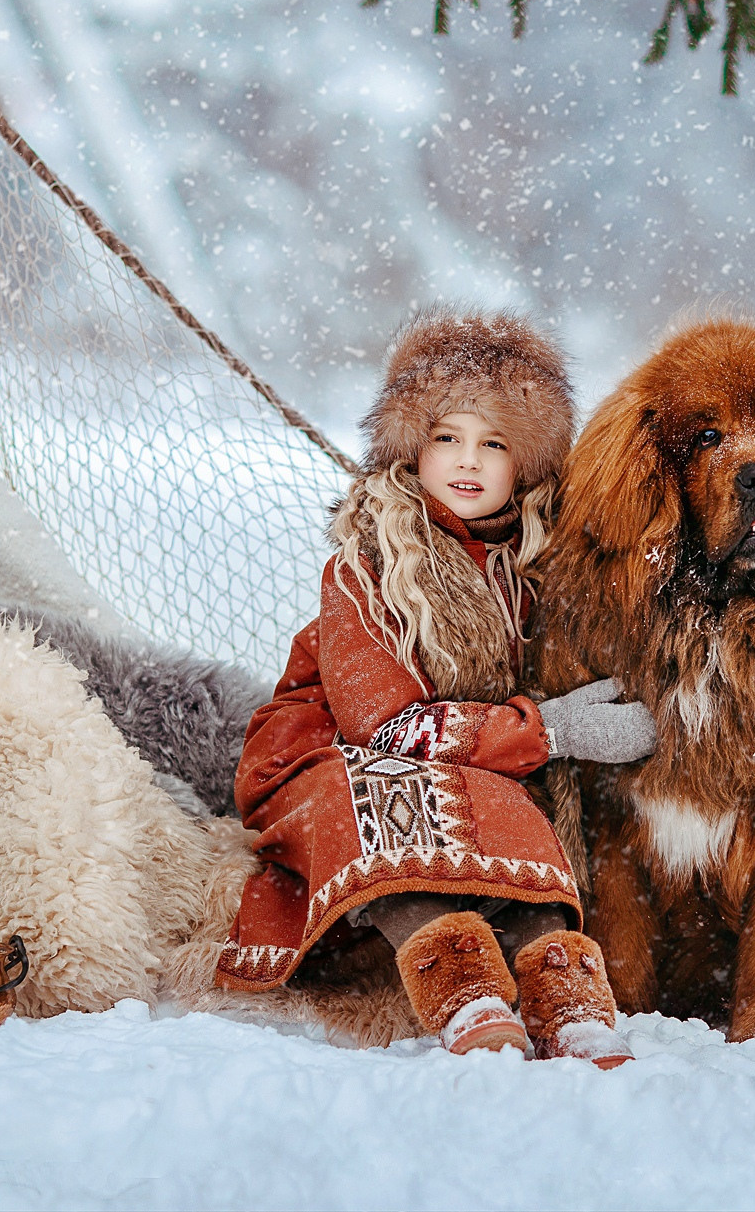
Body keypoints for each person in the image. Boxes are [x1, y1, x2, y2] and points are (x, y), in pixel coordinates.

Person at [216, 310, 655, 1065]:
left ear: (528, 463)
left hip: (474, 754)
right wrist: (551, 730)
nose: (467, 460)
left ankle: (563, 992)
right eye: (446, 436)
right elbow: (382, 726)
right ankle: (462, 984)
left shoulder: (538, 565)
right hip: (329, 752)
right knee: (390, 792)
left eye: (494, 443)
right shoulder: (366, 563)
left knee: (508, 809)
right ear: (410, 447)